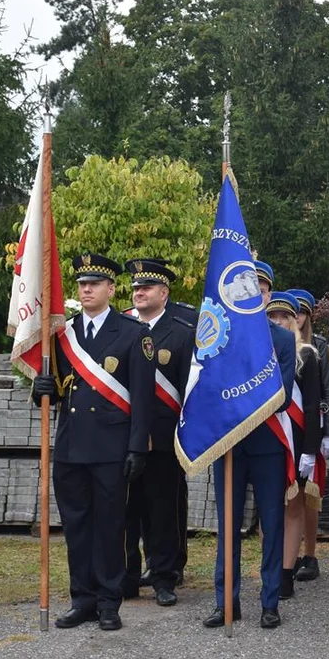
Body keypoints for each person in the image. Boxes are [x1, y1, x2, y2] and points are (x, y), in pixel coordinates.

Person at [32, 253, 155, 632]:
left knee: (109, 527)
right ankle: (81, 598)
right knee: (76, 526)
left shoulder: (134, 334)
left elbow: (143, 397)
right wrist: (40, 391)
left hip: (111, 448)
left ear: (111, 289)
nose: (86, 289)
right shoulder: (61, 334)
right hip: (71, 447)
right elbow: (52, 392)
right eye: (82, 284)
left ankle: (108, 601)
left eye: (95, 284)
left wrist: (137, 447)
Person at [203, 259, 296, 630]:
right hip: (228, 445)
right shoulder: (217, 335)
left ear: (267, 294)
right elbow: (207, 389)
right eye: (245, 287)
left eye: (259, 288)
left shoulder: (283, 339)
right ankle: (227, 601)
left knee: (271, 525)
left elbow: (284, 396)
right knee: (227, 526)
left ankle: (270, 601)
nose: (252, 293)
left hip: (267, 443)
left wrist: (241, 405)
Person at [122, 258, 195, 607]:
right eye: (136, 287)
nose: (139, 292)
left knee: (163, 512)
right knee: (125, 511)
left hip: (165, 441)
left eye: (146, 287)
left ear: (163, 293)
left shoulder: (182, 333)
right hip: (123, 439)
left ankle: (164, 576)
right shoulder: (120, 329)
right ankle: (127, 575)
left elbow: (188, 393)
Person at [268, 291, 323, 600]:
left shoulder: (308, 355)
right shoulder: (259, 355)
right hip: (269, 441)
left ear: (295, 321)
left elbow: (313, 406)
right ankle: (271, 566)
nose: (278, 322)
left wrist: (311, 450)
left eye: (284, 317)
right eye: (272, 317)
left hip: (297, 443)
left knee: (293, 507)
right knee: (268, 510)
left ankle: (287, 572)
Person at [288, 288, 329, 582]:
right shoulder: (277, 344)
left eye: (301, 313)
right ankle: (288, 556)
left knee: (309, 496)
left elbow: (327, 392)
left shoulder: (317, 345)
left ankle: (310, 555)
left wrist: (328, 433)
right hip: (287, 431)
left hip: (312, 430)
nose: (297, 318)